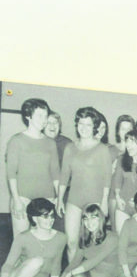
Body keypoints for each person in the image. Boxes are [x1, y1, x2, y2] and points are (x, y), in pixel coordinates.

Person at [57, 106, 112, 260]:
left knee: (94, 243)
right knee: (71, 242)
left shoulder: (102, 149)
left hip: (95, 200)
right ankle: (70, 275)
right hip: (74, 200)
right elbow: (64, 175)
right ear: (77, 125)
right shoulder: (70, 148)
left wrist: (104, 202)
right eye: (81, 124)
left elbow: (108, 177)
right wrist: (60, 199)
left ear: (94, 127)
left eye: (88, 125)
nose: (84, 128)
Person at [5, 98, 60, 236]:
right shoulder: (16, 141)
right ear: (28, 116)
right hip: (23, 196)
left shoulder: (50, 143)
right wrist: (16, 199)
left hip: (46, 196)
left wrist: (58, 196)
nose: (44, 120)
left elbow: (55, 172)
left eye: (45, 116)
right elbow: (11, 173)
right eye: (39, 116)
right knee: (21, 240)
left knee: (42, 240)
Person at [0, 199, 66, 277]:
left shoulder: (61, 238)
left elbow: (56, 266)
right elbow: (8, 265)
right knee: (37, 261)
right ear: (35, 218)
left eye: (52, 216)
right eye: (45, 216)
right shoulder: (23, 237)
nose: (50, 220)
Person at [56, 203, 118, 277]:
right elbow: (75, 261)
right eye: (86, 219)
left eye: (93, 217)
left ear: (100, 219)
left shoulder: (112, 238)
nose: (89, 222)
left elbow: (93, 261)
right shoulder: (85, 238)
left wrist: (70, 274)